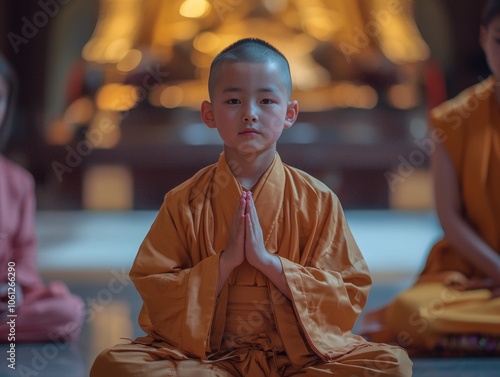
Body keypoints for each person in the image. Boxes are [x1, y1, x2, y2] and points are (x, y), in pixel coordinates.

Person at [90, 38, 412, 376]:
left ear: (290, 113)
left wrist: (270, 264)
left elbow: (349, 290)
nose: (250, 114)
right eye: (233, 100)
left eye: (267, 100)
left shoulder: (317, 200)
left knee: (392, 366)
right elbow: (154, 285)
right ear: (209, 113)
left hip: (297, 356)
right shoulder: (184, 201)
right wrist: (224, 264)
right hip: (207, 358)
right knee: (113, 366)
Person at [359, 0, 500, 355]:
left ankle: (476, 337)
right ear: (484, 39)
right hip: (475, 274)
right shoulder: (454, 118)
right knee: (414, 311)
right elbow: (450, 217)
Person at [0, 53, 84, 343]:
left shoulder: (18, 181)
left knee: (67, 311)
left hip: (3, 303)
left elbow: (22, 257)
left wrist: (12, 290)